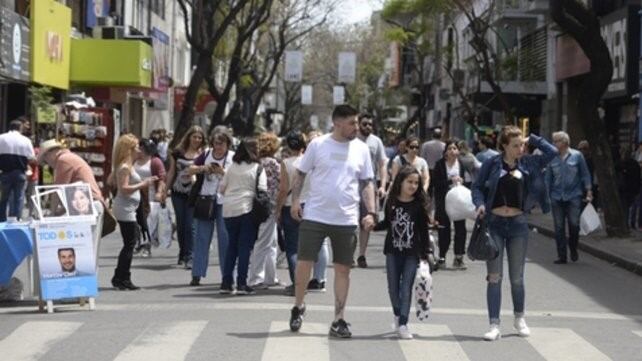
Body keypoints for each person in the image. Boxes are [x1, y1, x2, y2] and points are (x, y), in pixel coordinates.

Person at [288, 104, 376, 339]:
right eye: (352, 124)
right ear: (337, 124)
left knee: (342, 270)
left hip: (346, 219)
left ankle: (339, 319)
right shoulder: (318, 145)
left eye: (357, 123)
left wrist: (371, 211)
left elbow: (367, 181)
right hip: (315, 215)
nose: (356, 127)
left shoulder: (361, 149)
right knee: (304, 263)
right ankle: (298, 306)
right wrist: (295, 201)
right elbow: (300, 173)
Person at [472, 126, 557, 341]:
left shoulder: (529, 162)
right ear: (503, 146)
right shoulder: (492, 163)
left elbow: (552, 153)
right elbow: (477, 187)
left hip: (518, 224)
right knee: (494, 277)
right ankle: (494, 324)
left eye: (522, 145)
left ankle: (519, 318)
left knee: (517, 278)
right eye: (515, 145)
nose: (520, 149)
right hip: (495, 224)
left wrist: (533, 139)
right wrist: (480, 204)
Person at [382, 165, 431, 340]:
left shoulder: (418, 206)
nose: (413, 186)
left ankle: (403, 322)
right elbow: (387, 223)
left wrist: (426, 254)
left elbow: (423, 231)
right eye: (409, 182)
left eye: (416, 183)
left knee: (406, 288)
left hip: (412, 253)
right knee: (393, 288)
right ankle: (397, 313)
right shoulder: (392, 201)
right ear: (400, 182)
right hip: (392, 252)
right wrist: (371, 225)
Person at [39, 140, 106, 262]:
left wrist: (52, 213)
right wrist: (60, 210)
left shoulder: (63, 160)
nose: (47, 163)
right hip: (89, 204)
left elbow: (58, 190)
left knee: (85, 249)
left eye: (45, 159)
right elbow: (69, 190)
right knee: (87, 249)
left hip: (88, 205)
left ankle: (86, 279)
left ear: (51, 153)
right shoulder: (70, 157)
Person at [219, 138, 267, 295]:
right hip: (246, 209)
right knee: (244, 247)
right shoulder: (258, 168)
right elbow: (262, 190)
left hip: (228, 210)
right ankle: (241, 283)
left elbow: (221, 189)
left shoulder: (231, 168)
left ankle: (226, 283)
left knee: (232, 245)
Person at [111, 134, 158, 290]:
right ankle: (122, 277)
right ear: (129, 149)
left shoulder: (129, 165)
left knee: (130, 243)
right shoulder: (125, 167)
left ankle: (121, 276)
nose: (140, 149)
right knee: (130, 243)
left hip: (129, 208)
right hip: (125, 209)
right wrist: (143, 184)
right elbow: (124, 189)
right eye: (137, 147)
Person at [188, 131, 234, 286]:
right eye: (216, 143)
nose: (219, 147)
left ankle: (226, 275)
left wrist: (222, 172)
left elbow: (236, 177)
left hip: (224, 201)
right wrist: (203, 168)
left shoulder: (232, 157)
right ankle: (197, 274)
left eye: (222, 143)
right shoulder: (206, 154)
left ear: (228, 144)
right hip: (205, 199)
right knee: (201, 237)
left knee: (225, 239)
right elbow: (190, 169)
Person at [545, 131, 592, 264]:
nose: (554, 144)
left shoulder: (577, 156)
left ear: (565, 142)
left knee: (574, 225)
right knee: (558, 227)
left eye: (556, 141)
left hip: (574, 196)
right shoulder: (552, 158)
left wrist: (588, 190)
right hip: (556, 196)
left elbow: (585, 174)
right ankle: (562, 255)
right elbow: (548, 178)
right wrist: (546, 196)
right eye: (553, 141)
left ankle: (573, 247)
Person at [166, 126, 206, 268]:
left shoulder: (204, 154)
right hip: (177, 192)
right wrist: (164, 190)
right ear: (188, 137)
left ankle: (190, 256)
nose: (196, 139)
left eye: (199, 137)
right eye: (194, 136)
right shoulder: (177, 153)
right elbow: (171, 172)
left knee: (190, 225)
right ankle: (182, 253)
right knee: (181, 224)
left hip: (194, 193)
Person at [249, 132, 282, 289]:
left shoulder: (255, 162)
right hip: (269, 206)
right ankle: (256, 278)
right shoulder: (273, 163)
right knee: (264, 242)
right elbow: (282, 183)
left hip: (258, 205)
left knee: (272, 242)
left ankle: (270, 276)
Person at [356, 114, 388, 268]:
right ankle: (348, 254)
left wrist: (383, 185)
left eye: (370, 124)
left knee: (367, 221)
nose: (368, 126)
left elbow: (382, 164)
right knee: (349, 222)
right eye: (364, 124)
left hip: (369, 185)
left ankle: (361, 254)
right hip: (350, 184)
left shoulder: (376, 142)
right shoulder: (351, 139)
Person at [433, 140, 469, 270]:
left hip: (458, 202)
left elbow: (467, 183)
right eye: (450, 149)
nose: (452, 151)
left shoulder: (461, 165)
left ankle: (458, 257)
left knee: (460, 229)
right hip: (444, 201)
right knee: (444, 229)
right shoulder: (440, 165)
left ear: (458, 151)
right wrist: (450, 180)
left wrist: (462, 181)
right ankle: (442, 256)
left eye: (455, 148)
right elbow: (435, 183)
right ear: (445, 152)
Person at [134, 138, 167, 258]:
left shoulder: (155, 161)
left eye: (141, 148)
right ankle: (138, 243)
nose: (139, 150)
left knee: (148, 222)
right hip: (135, 195)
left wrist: (159, 192)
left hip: (150, 197)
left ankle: (146, 246)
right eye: (138, 148)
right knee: (136, 221)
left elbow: (162, 178)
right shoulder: (134, 161)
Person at [0, 119, 36, 221]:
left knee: (3, 199)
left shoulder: (1, 138)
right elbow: (32, 158)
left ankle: (1, 221)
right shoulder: (26, 140)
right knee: (19, 198)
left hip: (5, 173)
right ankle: (15, 220)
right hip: (20, 173)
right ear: (20, 128)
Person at [615, 145, 641, 229]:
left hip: (624, 189)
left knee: (625, 208)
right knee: (632, 207)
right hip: (633, 189)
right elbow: (637, 177)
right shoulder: (635, 164)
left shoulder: (620, 164)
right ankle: (631, 223)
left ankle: (625, 225)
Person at [420, 128, 445, 195]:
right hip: (440, 170)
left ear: (432, 135)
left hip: (428, 169)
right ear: (441, 136)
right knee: (438, 188)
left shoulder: (425, 145)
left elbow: (422, 157)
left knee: (428, 187)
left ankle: (429, 201)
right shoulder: (444, 146)